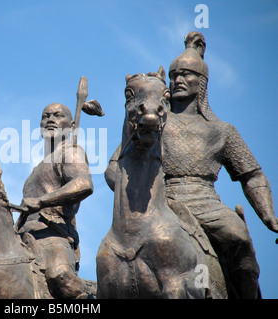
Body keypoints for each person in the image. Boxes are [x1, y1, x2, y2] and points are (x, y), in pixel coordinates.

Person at [106, 32, 277, 298]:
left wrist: (269, 217)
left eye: (187, 75)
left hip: (206, 202)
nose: (178, 81)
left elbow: (252, 176)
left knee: (238, 236)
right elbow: (119, 162)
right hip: (163, 198)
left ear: (202, 82)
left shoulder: (222, 131)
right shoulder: (156, 121)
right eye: (174, 76)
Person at [15, 102, 94, 299]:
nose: (50, 119)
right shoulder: (37, 169)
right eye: (46, 116)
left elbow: (83, 183)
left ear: (72, 125)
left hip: (53, 233)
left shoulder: (71, 152)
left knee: (61, 276)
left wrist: (41, 201)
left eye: (58, 116)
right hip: (23, 236)